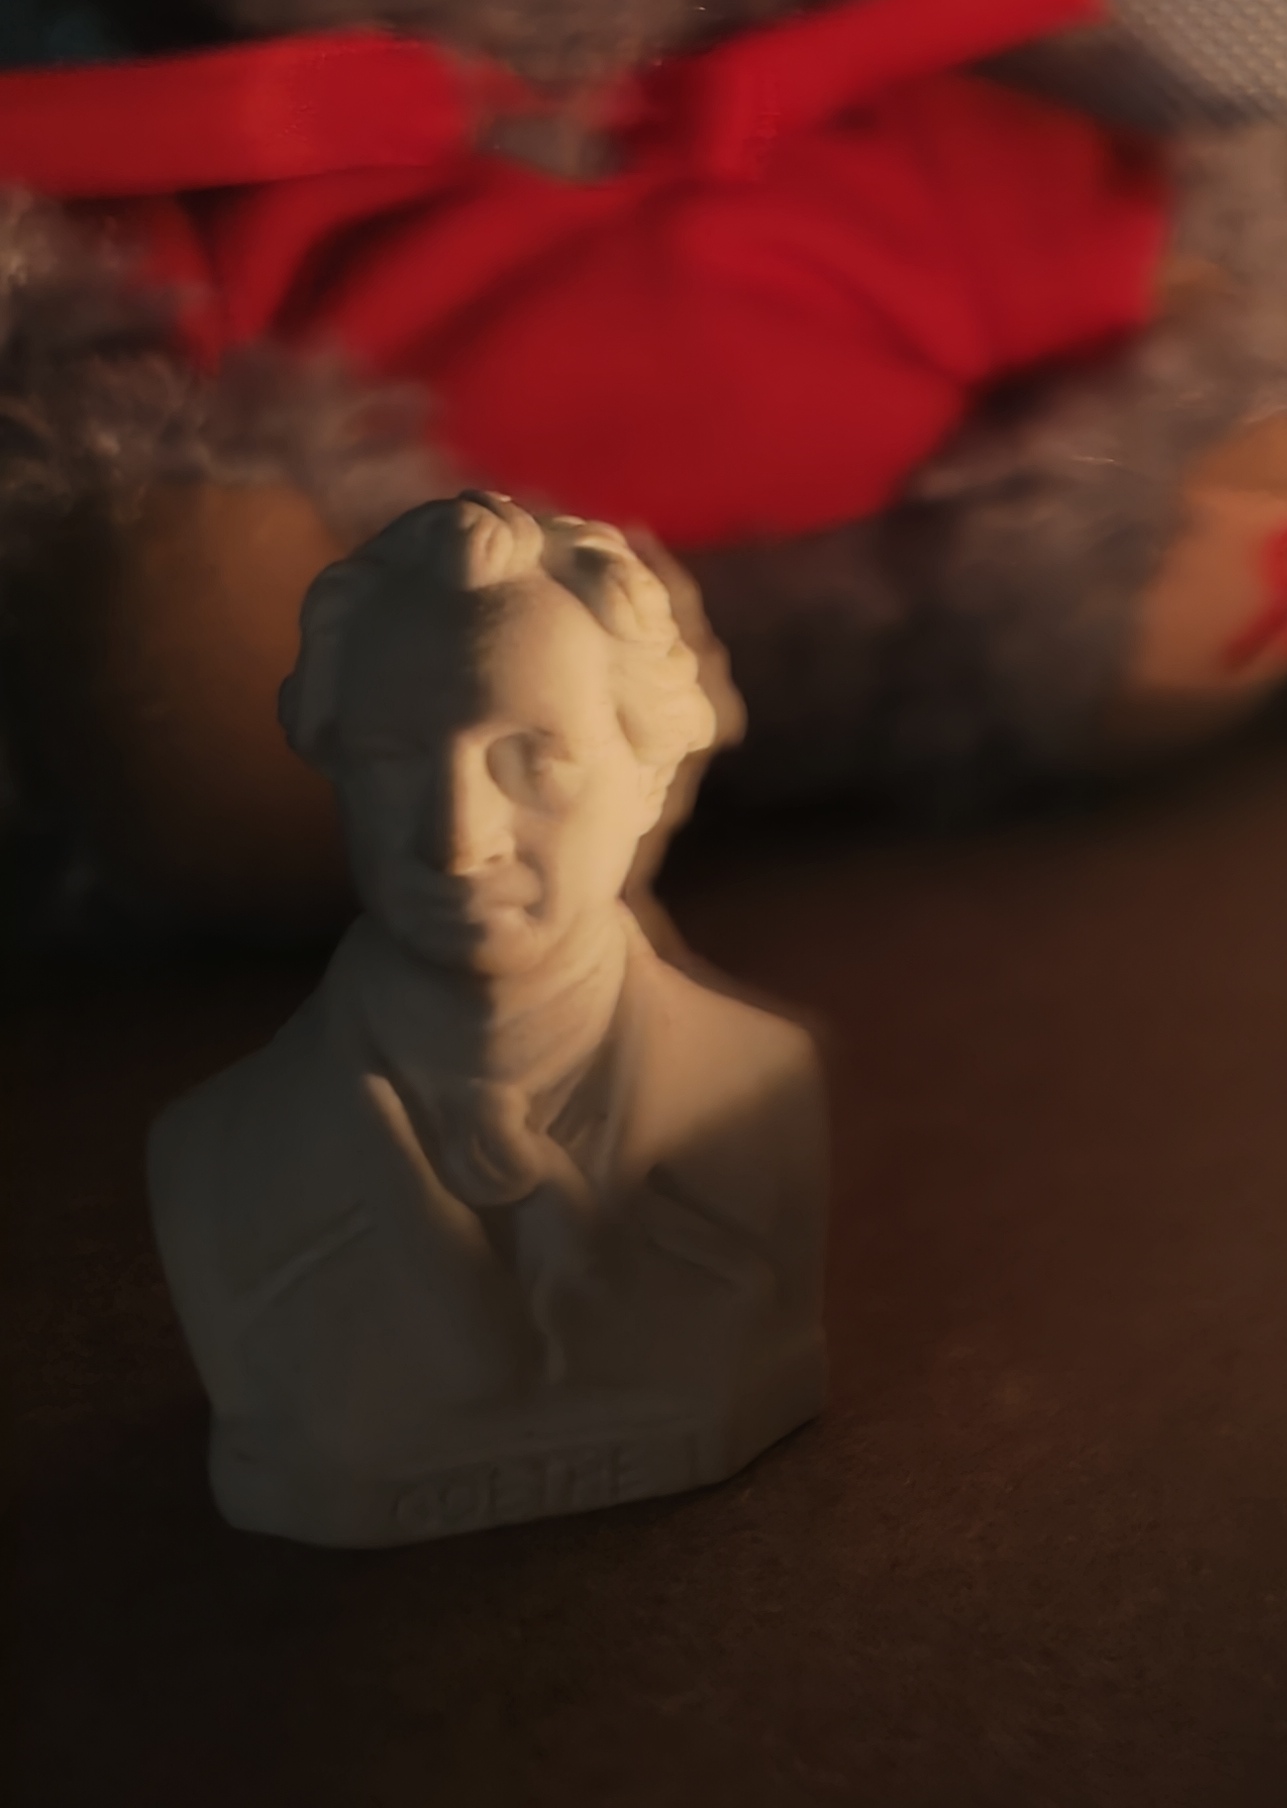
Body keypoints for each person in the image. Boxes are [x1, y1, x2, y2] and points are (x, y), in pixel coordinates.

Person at [146, 492, 825, 1546]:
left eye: (531, 760)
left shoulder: (760, 1094)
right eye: (393, 760)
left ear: (648, 777)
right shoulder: (218, 1162)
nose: (458, 842)